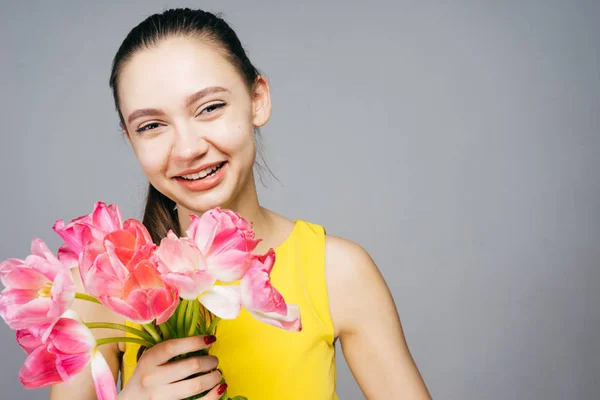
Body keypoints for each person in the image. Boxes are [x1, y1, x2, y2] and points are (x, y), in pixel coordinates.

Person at [49, 7, 431, 400]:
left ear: (258, 100)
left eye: (210, 107)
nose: (187, 148)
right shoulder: (101, 286)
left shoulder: (337, 272)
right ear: (131, 140)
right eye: (151, 126)